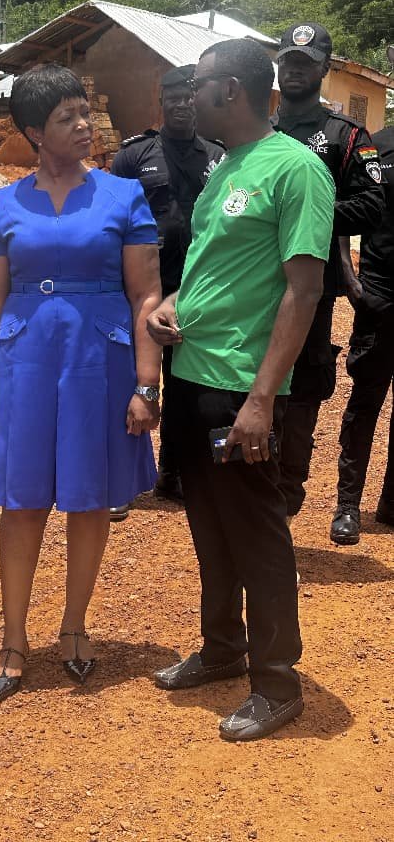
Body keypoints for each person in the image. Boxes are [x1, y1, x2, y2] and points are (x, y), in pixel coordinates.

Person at [148, 39, 334, 741]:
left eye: (195, 86)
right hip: (192, 376)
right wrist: (172, 303)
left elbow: (304, 289)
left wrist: (262, 399)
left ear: (229, 90)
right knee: (209, 525)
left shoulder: (296, 169)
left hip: (240, 389)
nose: (184, 99)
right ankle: (223, 647)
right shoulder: (227, 165)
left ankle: (277, 682)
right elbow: (213, 267)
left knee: (257, 534)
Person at [0, 63, 161, 702]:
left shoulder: (122, 196)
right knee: (22, 500)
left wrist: (147, 384)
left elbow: (146, 294)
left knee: (89, 495)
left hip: (99, 361)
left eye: (84, 112)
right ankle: (13, 637)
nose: (83, 125)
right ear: (33, 133)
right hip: (24, 363)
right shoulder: (5, 202)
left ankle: (74, 625)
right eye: (65, 117)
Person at [271, 23, 383, 530]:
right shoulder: (257, 132)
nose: (295, 70)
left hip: (311, 293)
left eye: (306, 63)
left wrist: (305, 216)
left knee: (302, 388)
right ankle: (250, 503)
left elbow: (372, 206)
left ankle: (288, 492)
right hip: (254, 287)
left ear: (323, 70)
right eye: (289, 62)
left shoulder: (345, 136)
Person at [112, 65, 224, 510]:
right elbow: (111, 221)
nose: (181, 104)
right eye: (173, 97)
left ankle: (172, 474)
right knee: (129, 380)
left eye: (188, 96)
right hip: (139, 287)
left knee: (184, 384)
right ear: (161, 102)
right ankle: (120, 480)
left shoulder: (218, 156)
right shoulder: (133, 156)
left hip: (192, 287)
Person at [334, 126, 394, 543]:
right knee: (365, 403)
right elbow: (340, 206)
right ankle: (348, 506)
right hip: (381, 294)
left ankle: (391, 503)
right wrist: (350, 279)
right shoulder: (377, 146)